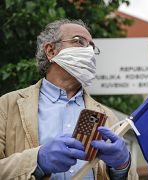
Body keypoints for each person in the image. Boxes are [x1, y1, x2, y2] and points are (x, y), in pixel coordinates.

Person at [0, 19, 138, 180]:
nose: (89, 52)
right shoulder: (7, 106)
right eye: (78, 42)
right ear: (51, 51)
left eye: (91, 47)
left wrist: (122, 167)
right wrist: (37, 161)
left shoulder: (107, 116)